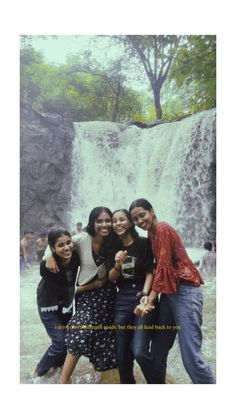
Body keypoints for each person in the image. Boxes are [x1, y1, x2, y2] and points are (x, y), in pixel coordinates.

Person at [129, 198, 216, 384]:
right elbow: (159, 270)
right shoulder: (152, 234)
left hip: (185, 292)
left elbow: (164, 269)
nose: (139, 221)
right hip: (169, 293)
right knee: (158, 352)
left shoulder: (162, 228)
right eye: (135, 219)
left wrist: (149, 300)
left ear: (152, 211)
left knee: (191, 357)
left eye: (142, 215)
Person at [45, 207, 117, 384]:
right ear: (93, 222)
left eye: (108, 220)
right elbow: (57, 244)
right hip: (87, 295)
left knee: (104, 339)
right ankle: (63, 381)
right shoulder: (82, 239)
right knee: (80, 331)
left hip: (108, 296)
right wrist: (50, 257)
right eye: (100, 221)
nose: (104, 224)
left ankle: (100, 378)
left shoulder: (115, 241)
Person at [107, 209, 161, 384]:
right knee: (122, 354)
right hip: (121, 299)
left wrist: (145, 296)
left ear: (130, 223)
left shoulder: (144, 243)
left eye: (122, 219)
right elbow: (111, 278)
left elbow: (149, 272)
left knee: (139, 351)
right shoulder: (112, 247)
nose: (118, 223)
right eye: (114, 221)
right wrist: (117, 264)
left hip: (142, 295)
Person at [34, 229, 80, 381]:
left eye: (68, 243)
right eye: (61, 245)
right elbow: (58, 290)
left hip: (66, 305)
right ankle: (38, 372)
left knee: (66, 340)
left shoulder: (75, 257)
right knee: (59, 343)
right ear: (53, 248)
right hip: (48, 305)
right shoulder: (46, 265)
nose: (67, 247)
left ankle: (57, 371)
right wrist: (84, 288)